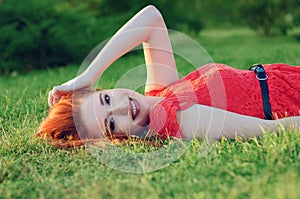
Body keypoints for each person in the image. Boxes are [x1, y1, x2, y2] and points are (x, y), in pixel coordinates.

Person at [37, 5, 300, 148]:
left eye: (106, 99)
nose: (121, 108)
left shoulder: (158, 96)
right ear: (117, 140)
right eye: (112, 124)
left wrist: (88, 75)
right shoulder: (175, 120)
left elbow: (151, 18)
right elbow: (277, 129)